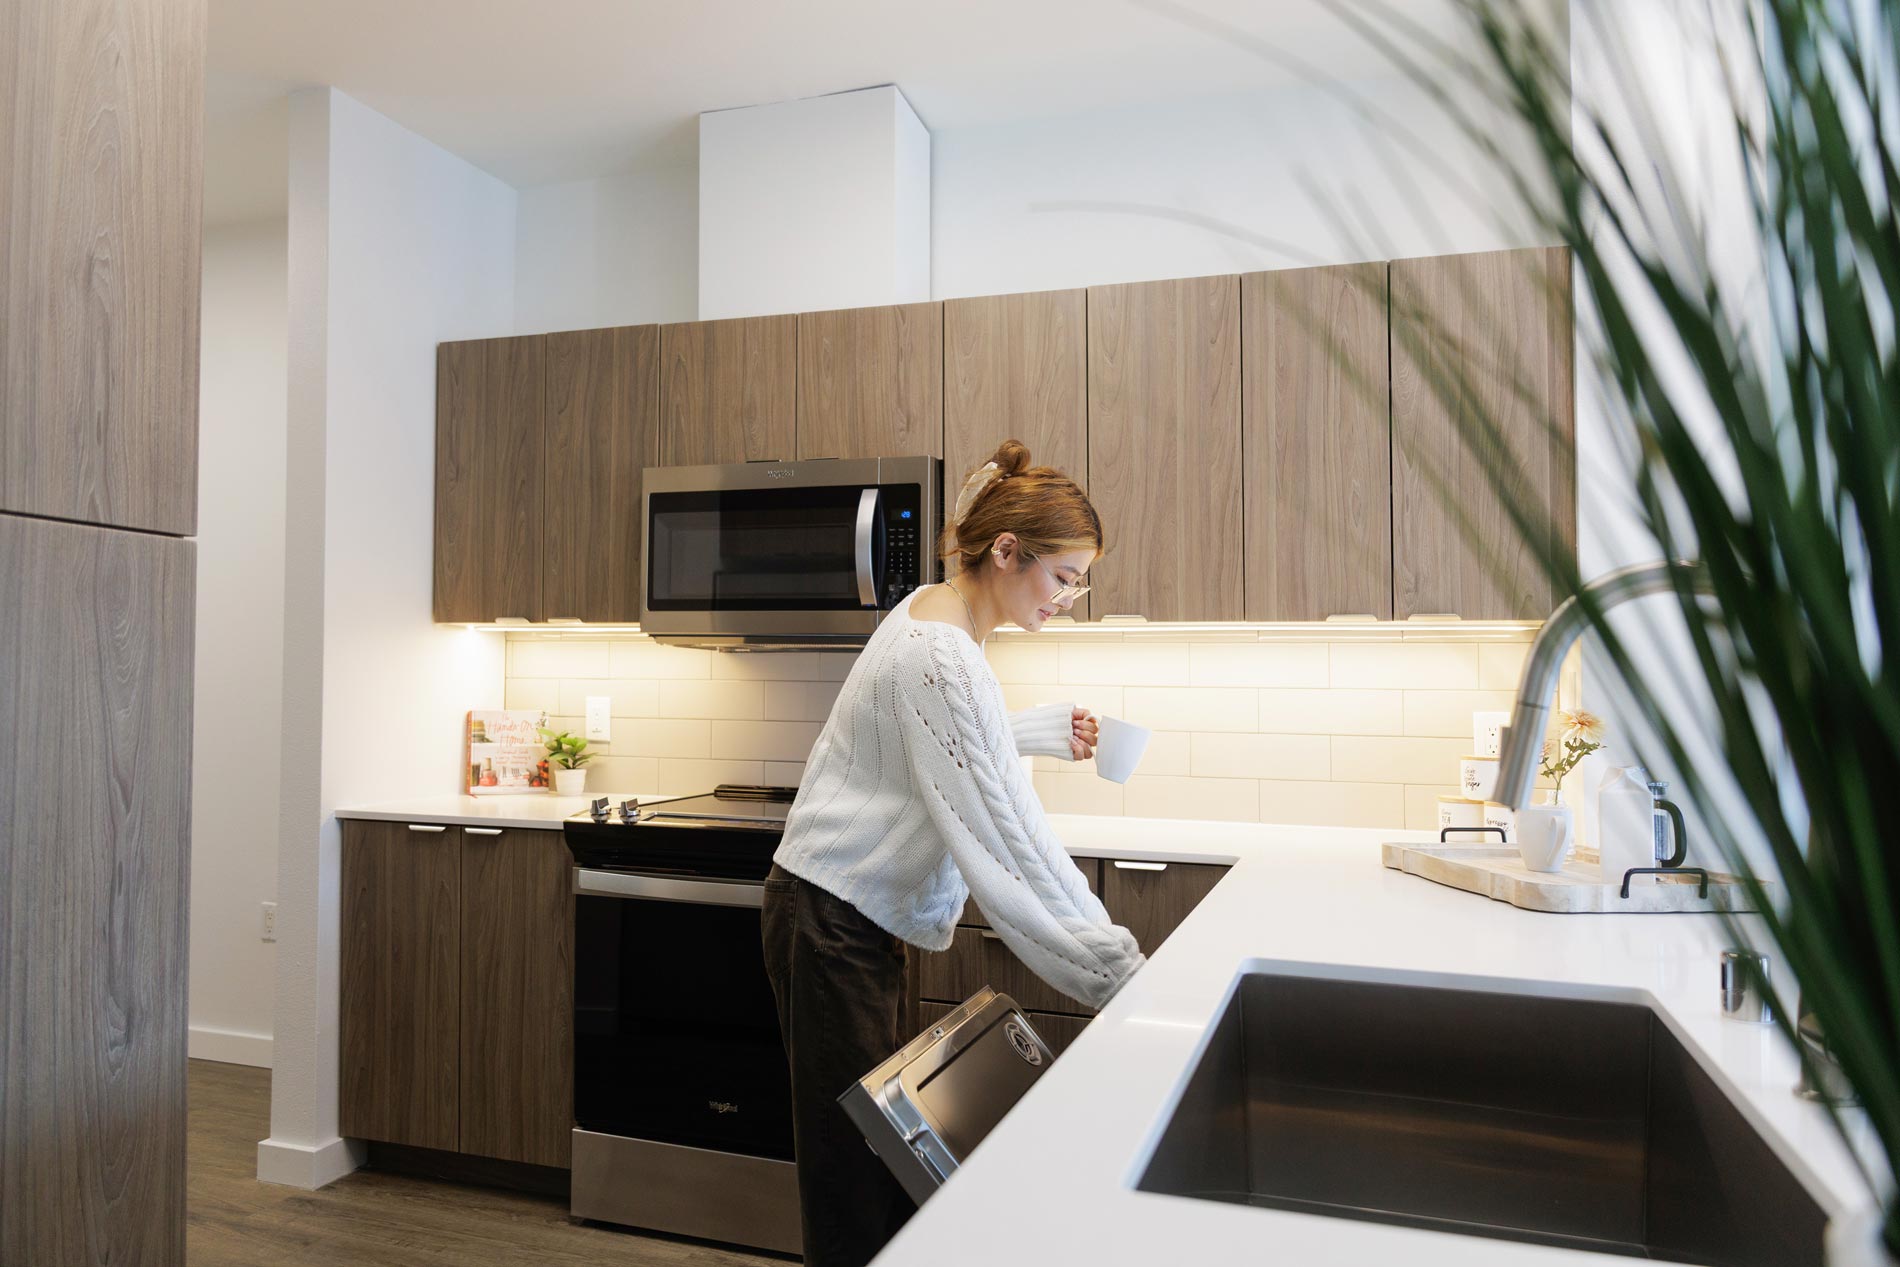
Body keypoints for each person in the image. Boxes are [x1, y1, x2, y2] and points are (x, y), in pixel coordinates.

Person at [762, 439, 1146, 1267]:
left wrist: (1037, 732)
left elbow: (934, 753)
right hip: (835, 923)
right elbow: (1013, 847)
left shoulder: (934, 610)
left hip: (838, 912)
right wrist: (1121, 974)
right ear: (1006, 551)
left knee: (878, 1162)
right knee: (855, 1186)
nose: (1070, 599)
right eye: (1064, 577)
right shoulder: (945, 654)